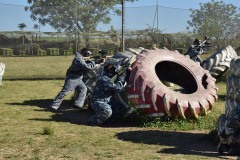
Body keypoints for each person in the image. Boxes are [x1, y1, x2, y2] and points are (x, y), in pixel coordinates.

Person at [88, 59, 129, 126]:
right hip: (97, 101)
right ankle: (93, 121)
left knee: (121, 107)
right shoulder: (104, 78)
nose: (116, 69)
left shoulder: (110, 75)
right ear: (109, 67)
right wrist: (121, 78)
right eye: (114, 67)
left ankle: (108, 122)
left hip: (108, 100)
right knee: (107, 111)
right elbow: (117, 87)